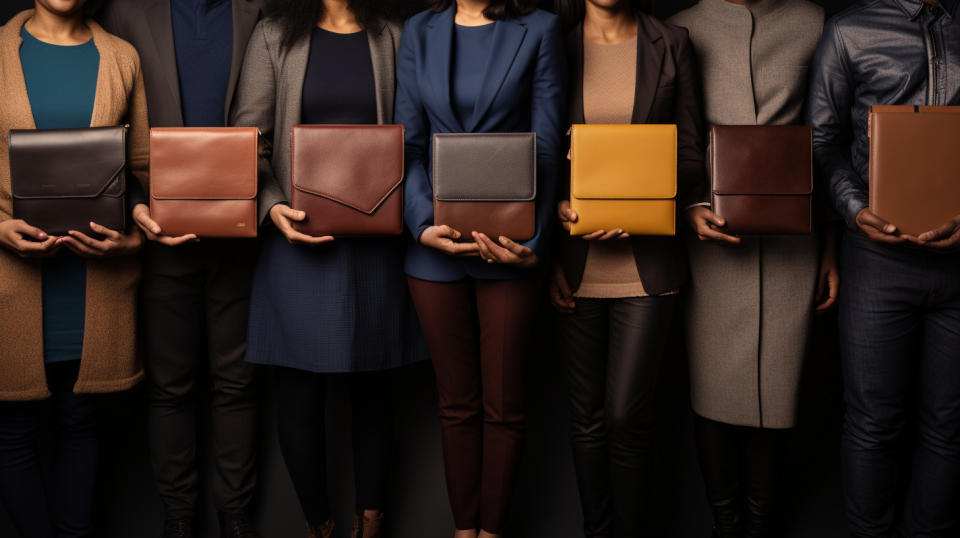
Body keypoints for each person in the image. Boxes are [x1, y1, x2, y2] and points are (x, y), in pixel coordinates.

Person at [230, 0, 425, 537]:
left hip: (379, 242)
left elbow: (418, 133)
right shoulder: (273, 35)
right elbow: (251, 139)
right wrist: (272, 208)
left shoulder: (397, 34)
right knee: (296, 395)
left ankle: (372, 521)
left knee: (375, 392)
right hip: (297, 239)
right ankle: (321, 525)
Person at [395, 0, 565, 536]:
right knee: (456, 404)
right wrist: (422, 224)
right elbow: (410, 143)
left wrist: (534, 241)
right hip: (432, 247)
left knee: (505, 406)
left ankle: (491, 531)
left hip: (510, 244)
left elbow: (547, 142)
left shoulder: (539, 29)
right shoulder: (420, 30)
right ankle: (463, 531)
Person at [668, 1, 837, 536]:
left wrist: (832, 250)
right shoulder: (683, 27)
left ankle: (760, 526)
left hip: (795, 246)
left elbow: (829, 136)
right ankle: (726, 524)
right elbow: (674, 132)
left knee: (781, 392)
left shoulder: (812, 21)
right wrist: (687, 207)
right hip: (713, 241)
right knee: (712, 392)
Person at [99, 0, 264, 535]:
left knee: (237, 384)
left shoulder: (259, 11)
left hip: (241, 235)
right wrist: (133, 208)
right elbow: (110, 122)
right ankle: (179, 518)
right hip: (161, 233)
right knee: (170, 387)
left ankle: (235, 516)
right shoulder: (126, 13)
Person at [547, 0, 704, 536]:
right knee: (586, 421)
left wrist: (645, 202)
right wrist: (555, 212)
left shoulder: (673, 42)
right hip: (575, 261)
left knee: (625, 418)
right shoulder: (554, 42)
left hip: (649, 264)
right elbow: (542, 149)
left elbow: (689, 149)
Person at [808, 0, 960, 536]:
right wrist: (854, 207)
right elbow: (820, 142)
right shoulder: (849, 31)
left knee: (950, 427)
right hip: (878, 259)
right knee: (874, 424)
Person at [0, 0, 148, 535]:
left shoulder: (120, 56)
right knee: (12, 428)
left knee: (80, 420)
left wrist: (136, 235)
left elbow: (141, 166)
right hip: (11, 282)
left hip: (93, 280)